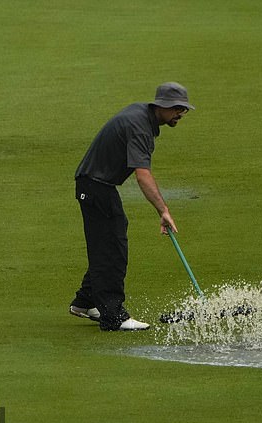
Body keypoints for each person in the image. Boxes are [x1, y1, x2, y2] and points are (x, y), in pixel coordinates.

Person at [69, 82, 194, 331]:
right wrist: (163, 211)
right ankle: (113, 316)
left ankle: (86, 301)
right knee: (112, 249)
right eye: (178, 109)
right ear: (164, 106)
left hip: (96, 186)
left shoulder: (141, 115)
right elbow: (143, 175)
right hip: (96, 188)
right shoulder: (140, 127)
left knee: (109, 242)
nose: (181, 114)